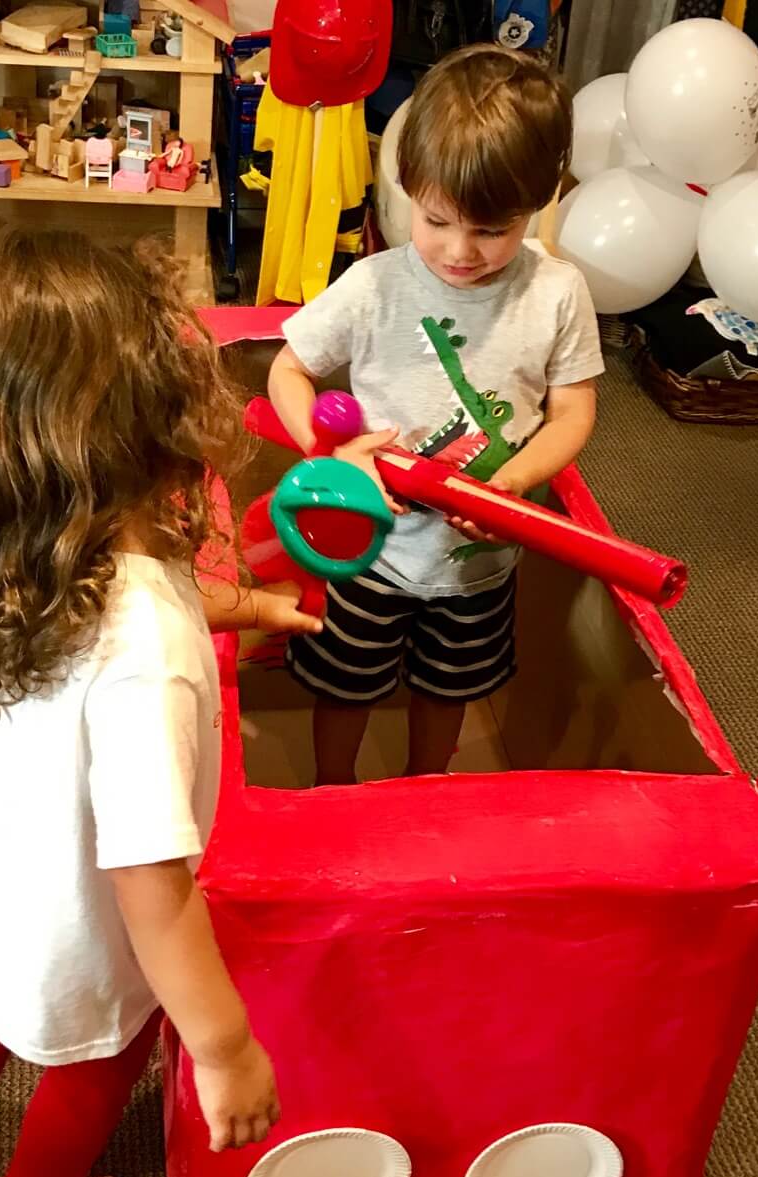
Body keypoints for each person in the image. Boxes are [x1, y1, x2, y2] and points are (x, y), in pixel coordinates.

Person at [0, 227, 328, 1177]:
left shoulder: (32, 535)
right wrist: (221, 1044)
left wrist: (244, 602)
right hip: (81, 917)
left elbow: (140, 596)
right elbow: (151, 883)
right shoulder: (153, 663)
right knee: (93, 1060)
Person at [268, 44, 605, 784]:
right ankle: (333, 791)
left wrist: (511, 487)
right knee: (344, 686)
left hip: (481, 564)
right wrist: (331, 455)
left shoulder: (556, 292)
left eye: (492, 230)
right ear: (408, 186)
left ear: (540, 198)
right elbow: (288, 369)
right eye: (437, 220)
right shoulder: (373, 284)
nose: (460, 251)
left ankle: (428, 793)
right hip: (367, 551)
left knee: (448, 690)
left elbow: (574, 410)